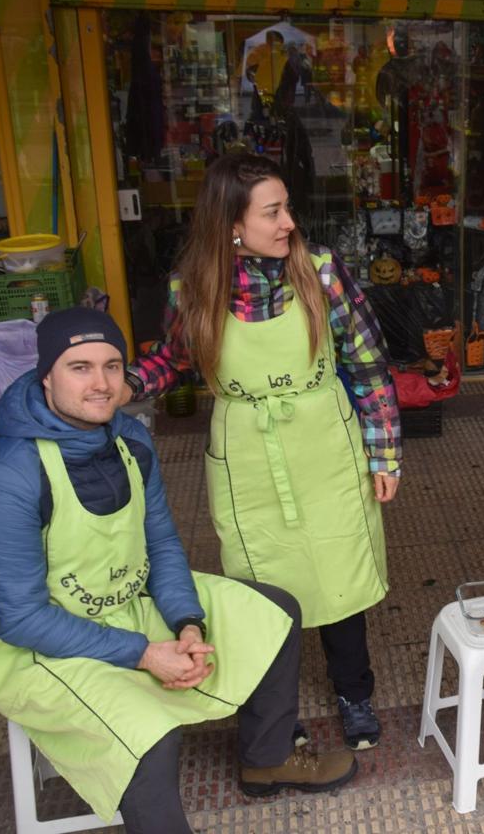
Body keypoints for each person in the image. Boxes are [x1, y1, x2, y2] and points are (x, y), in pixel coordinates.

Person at [0, 308, 357, 833]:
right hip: (39, 649)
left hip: (127, 605)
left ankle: (268, 757)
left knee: (275, 609)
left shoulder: (131, 440)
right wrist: (146, 654)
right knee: (147, 733)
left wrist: (187, 623)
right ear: (46, 376)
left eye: (112, 366)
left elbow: (163, 543)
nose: (101, 384)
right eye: (79, 368)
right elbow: (21, 620)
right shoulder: (5, 475)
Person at [124, 153, 401, 751]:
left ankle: (355, 692)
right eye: (272, 212)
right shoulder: (191, 288)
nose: (288, 224)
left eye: (287, 209)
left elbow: (370, 366)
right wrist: (119, 386)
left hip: (327, 446)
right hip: (248, 455)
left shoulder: (321, 272)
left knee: (339, 578)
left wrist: (384, 455)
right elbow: (170, 360)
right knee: (262, 585)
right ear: (232, 223)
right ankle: (279, 711)